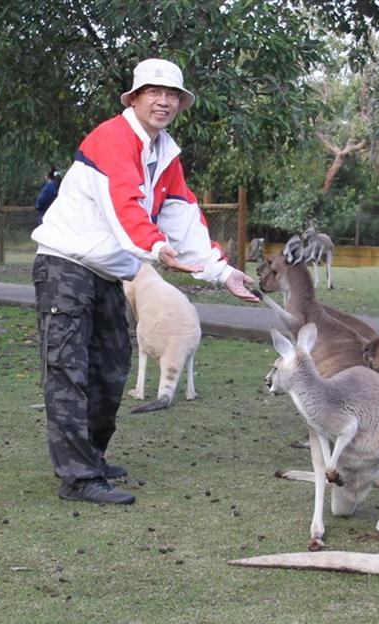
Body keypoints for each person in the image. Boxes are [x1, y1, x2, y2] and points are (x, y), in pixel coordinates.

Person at [30, 58, 259, 506]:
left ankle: (92, 458)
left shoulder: (164, 153)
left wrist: (223, 272)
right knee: (67, 371)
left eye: (173, 94)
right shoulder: (111, 139)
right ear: (134, 98)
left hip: (108, 273)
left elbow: (183, 216)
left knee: (111, 368)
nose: (164, 100)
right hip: (65, 267)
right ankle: (77, 479)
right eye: (154, 92)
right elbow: (125, 205)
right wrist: (155, 247)